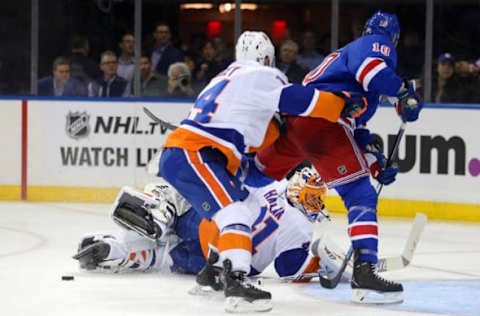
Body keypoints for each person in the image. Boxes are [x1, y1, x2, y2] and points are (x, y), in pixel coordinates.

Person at [157, 31, 366, 312]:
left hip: (194, 153)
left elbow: (255, 136)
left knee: (250, 204)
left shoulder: (226, 77)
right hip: (196, 153)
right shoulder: (263, 75)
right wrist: (338, 104)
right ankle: (237, 283)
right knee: (236, 212)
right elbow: (299, 99)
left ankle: (212, 276)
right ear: (267, 58)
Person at [255, 11, 424, 305]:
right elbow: (373, 72)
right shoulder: (375, 44)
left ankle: (219, 262)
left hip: (299, 121)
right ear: (391, 37)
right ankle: (365, 273)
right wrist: (404, 93)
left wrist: (374, 163)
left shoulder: (346, 62)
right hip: (324, 120)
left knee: (255, 177)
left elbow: (355, 131)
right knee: (360, 196)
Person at [73, 168, 349, 285]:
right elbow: (288, 269)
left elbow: (232, 181)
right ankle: (124, 255)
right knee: (164, 258)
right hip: (224, 265)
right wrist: (322, 264)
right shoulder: (301, 225)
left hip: (210, 227)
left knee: (189, 191)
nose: (316, 202)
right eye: (314, 196)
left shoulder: (274, 183)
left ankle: (144, 225)